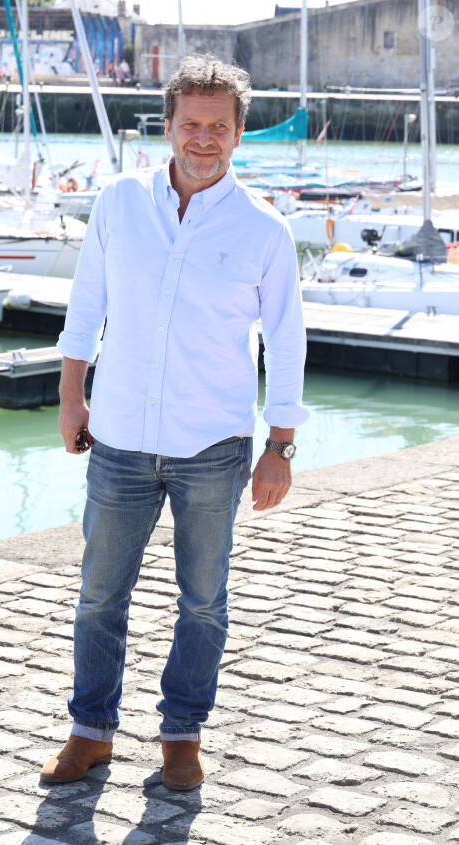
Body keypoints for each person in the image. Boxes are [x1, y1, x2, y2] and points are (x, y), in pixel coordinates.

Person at [41, 53, 309, 792]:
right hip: (120, 435)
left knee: (203, 599)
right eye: (190, 123)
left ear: (239, 134)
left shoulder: (265, 230)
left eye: (218, 127)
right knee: (99, 594)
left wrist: (280, 444)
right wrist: (71, 396)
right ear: (167, 126)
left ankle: (181, 735)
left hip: (212, 445)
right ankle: (90, 730)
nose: (202, 139)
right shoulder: (120, 202)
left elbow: (286, 341)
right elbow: (86, 304)